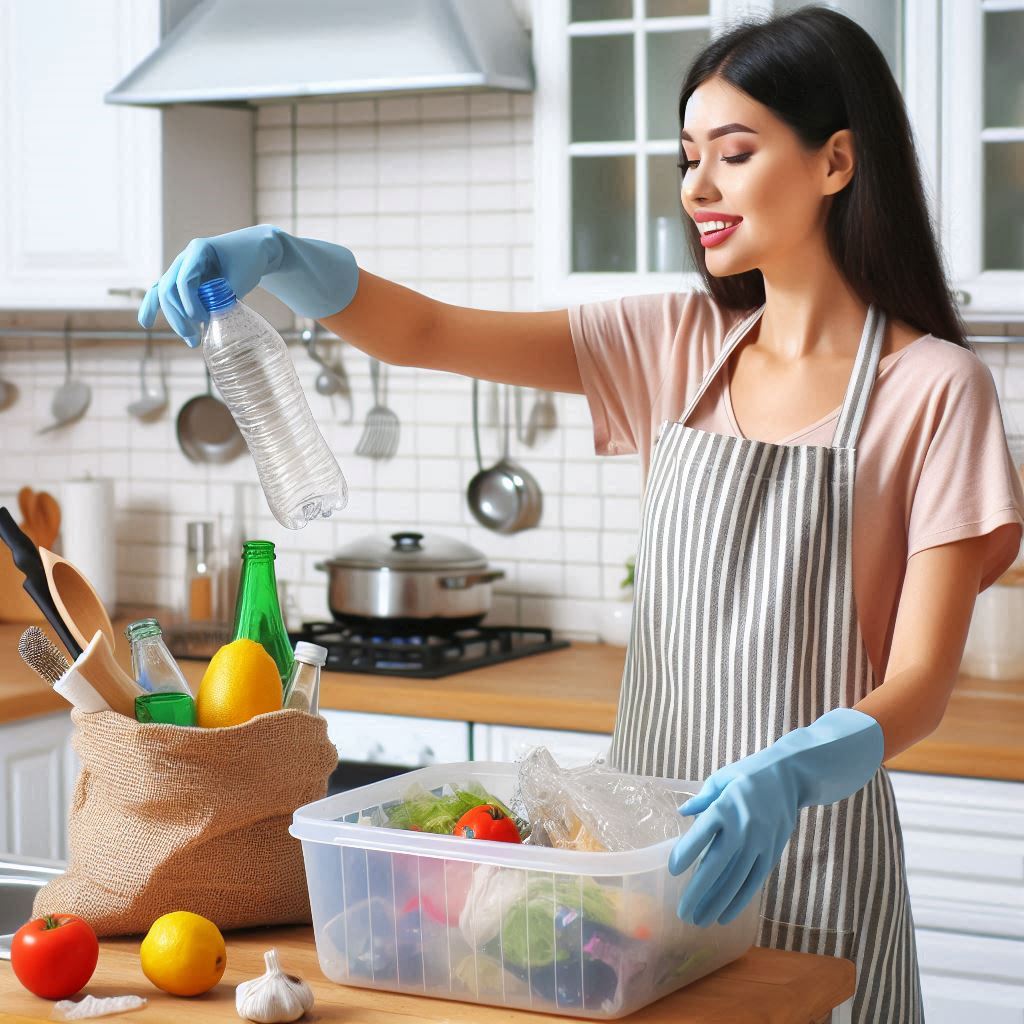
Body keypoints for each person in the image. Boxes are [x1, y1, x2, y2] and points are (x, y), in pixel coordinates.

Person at [140, 7, 1024, 1021]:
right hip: (634, 876)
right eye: (688, 157)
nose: (697, 187)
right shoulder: (676, 340)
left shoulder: (933, 389)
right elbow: (429, 331)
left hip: (814, 851)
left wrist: (787, 773)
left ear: (835, 161)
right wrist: (285, 257)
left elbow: (918, 684)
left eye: (733, 155)